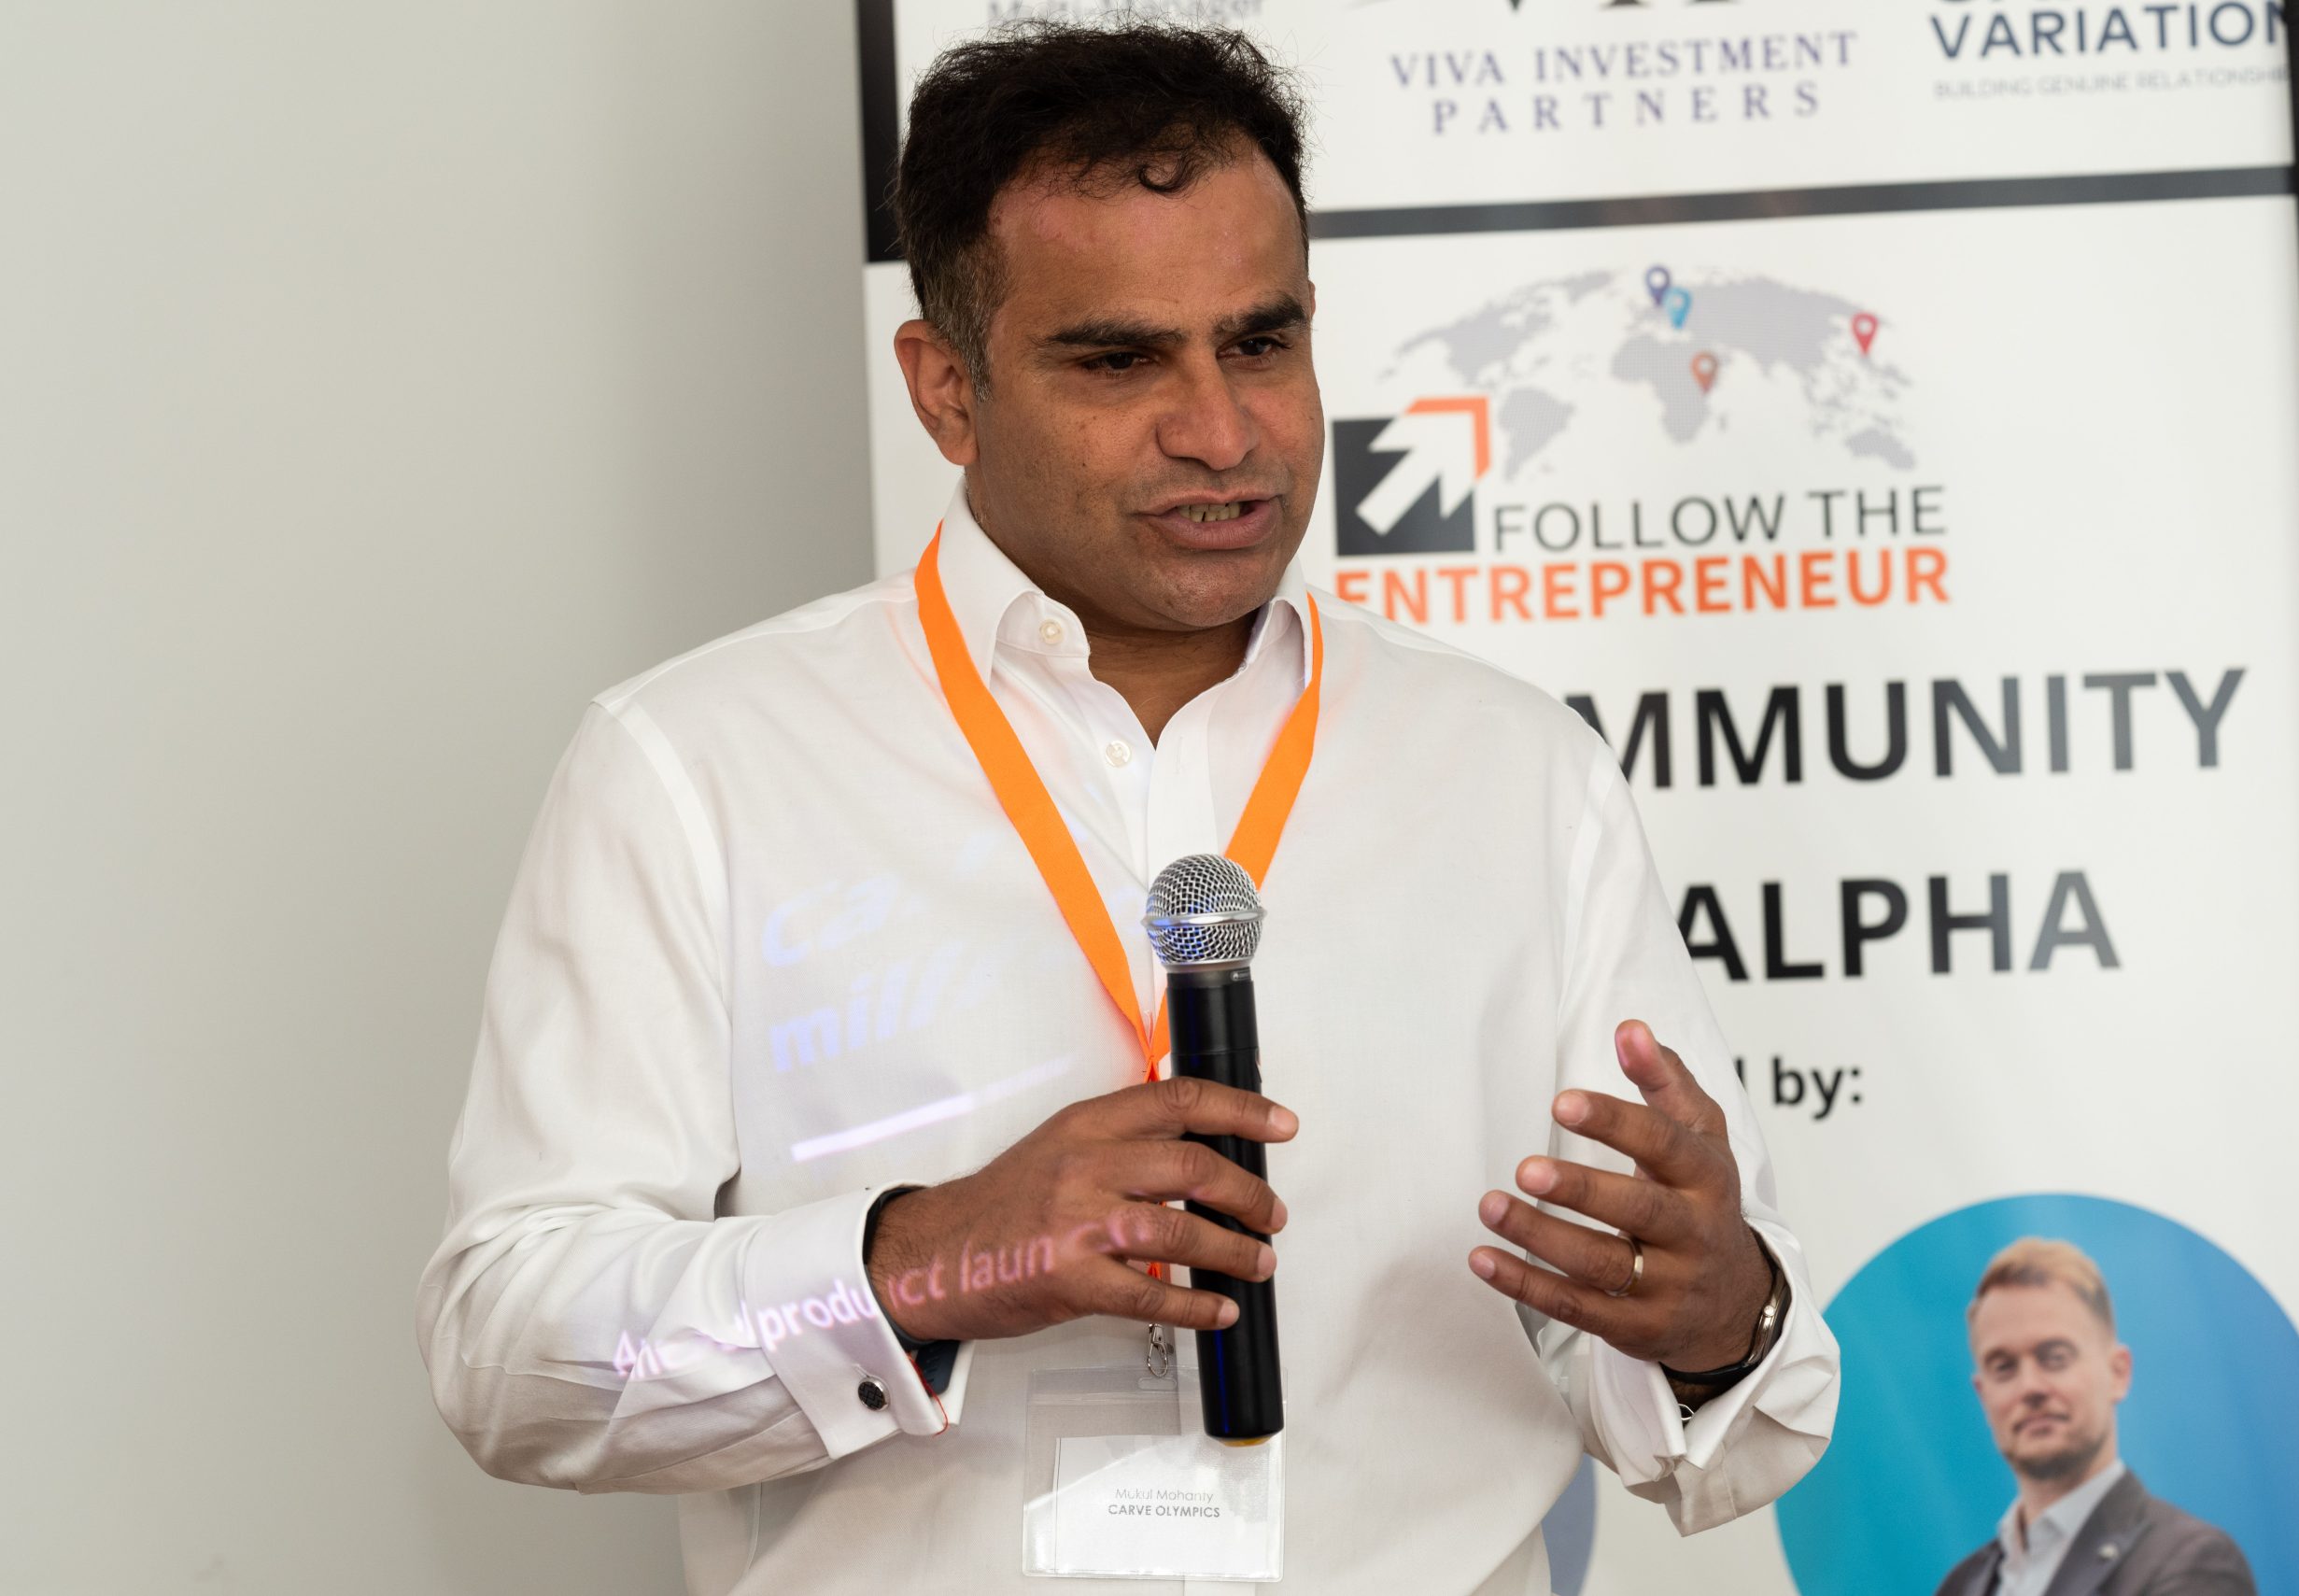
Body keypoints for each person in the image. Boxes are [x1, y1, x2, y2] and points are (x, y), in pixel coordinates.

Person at [415, 20, 1839, 1595]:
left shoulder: (1517, 772)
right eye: (1118, 360)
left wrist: (1723, 1321)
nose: (1221, 431)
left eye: (1260, 342)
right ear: (946, 389)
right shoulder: (698, 765)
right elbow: (509, 1348)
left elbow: (1733, 1423)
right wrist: (917, 1261)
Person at [1935, 1238, 2255, 1596]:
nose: (2030, 1386)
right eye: (2004, 1367)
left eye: (2055, 1357)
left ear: (2118, 1373)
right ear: (1983, 1395)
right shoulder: (1959, 1586)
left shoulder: (2193, 1562)